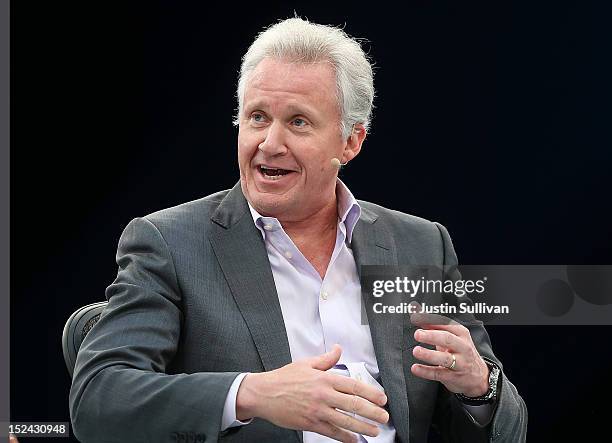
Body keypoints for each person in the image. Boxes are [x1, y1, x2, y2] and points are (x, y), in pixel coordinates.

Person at [69, 18, 527, 443]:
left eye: (298, 122)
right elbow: (99, 397)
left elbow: (509, 428)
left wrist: (479, 389)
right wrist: (250, 394)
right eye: (257, 117)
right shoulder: (170, 243)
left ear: (351, 141)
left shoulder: (419, 244)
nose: (270, 143)